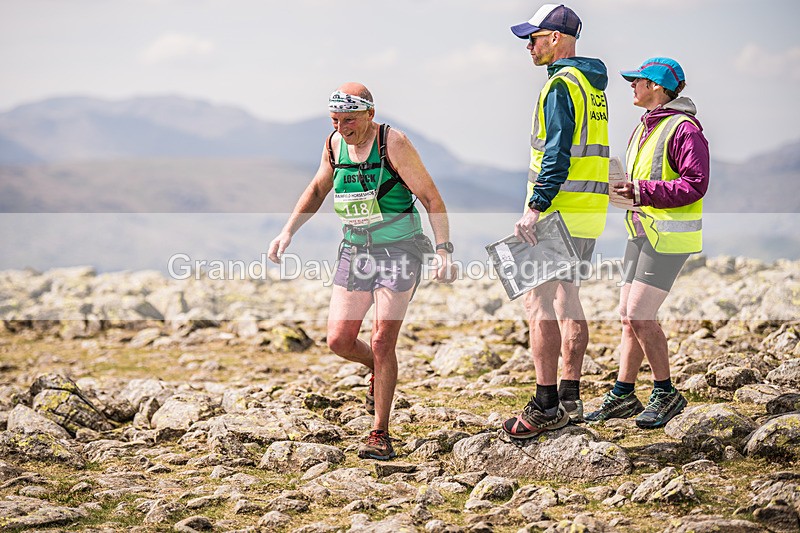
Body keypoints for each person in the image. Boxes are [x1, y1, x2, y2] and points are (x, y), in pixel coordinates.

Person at [268, 82, 456, 460]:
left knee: (384, 338)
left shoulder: (393, 143)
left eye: (349, 120)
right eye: (336, 120)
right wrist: (287, 231)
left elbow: (431, 198)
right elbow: (318, 189)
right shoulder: (333, 144)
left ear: (370, 114)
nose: (343, 128)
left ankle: (380, 433)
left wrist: (443, 249)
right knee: (338, 340)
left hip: (400, 249)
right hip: (355, 250)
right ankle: (377, 366)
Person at [502, 4, 610, 439]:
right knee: (569, 299)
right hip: (587, 214)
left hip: (557, 212)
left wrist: (535, 207)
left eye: (533, 37)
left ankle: (546, 403)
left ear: (556, 39)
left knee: (537, 303)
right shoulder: (592, 85)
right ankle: (570, 396)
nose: (528, 46)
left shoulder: (562, 86)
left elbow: (559, 152)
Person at [585, 57, 709, 428]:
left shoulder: (685, 129)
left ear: (656, 86)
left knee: (639, 314)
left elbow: (694, 184)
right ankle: (623, 394)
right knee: (627, 316)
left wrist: (640, 190)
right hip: (641, 231)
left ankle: (665, 392)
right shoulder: (644, 127)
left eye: (637, 80)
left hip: (669, 237)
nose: (632, 86)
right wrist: (623, 191)